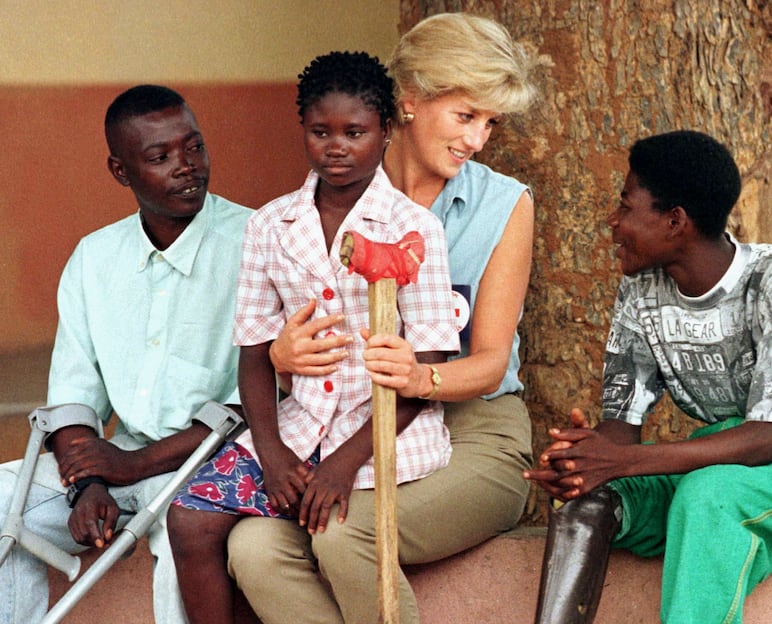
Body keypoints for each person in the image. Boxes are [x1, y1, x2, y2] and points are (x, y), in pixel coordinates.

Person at [227, 13, 538, 624]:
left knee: (344, 531)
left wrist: (421, 381)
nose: (477, 140)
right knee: (253, 547)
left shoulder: (504, 204)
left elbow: (491, 359)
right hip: (350, 423)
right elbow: (272, 341)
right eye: (466, 115)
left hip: (476, 428)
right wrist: (282, 358)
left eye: (490, 123)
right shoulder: (319, 196)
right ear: (411, 100)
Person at [167, 51, 459, 624]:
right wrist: (272, 454)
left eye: (356, 132)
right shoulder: (270, 226)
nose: (336, 146)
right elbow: (253, 357)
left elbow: (422, 372)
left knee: (328, 532)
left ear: (385, 133)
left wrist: (344, 464)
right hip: (296, 435)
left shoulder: (414, 230)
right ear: (302, 129)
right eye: (320, 131)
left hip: (377, 438)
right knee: (191, 516)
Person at [0, 84, 252, 624]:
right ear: (121, 171)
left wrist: (130, 464)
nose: (187, 167)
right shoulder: (95, 258)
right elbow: (72, 395)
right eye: (160, 157)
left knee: (181, 546)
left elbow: (252, 404)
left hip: (211, 462)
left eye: (195, 147)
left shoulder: (256, 244)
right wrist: (87, 482)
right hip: (119, 460)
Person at [527, 130, 772, 624]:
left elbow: (765, 441)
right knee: (587, 503)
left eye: (626, 206)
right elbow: (622, 428)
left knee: (707, 497)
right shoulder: (642, 290)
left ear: (676, 221)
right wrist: (585, 461)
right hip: (718, 457)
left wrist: (625, 460)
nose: (612, 222)